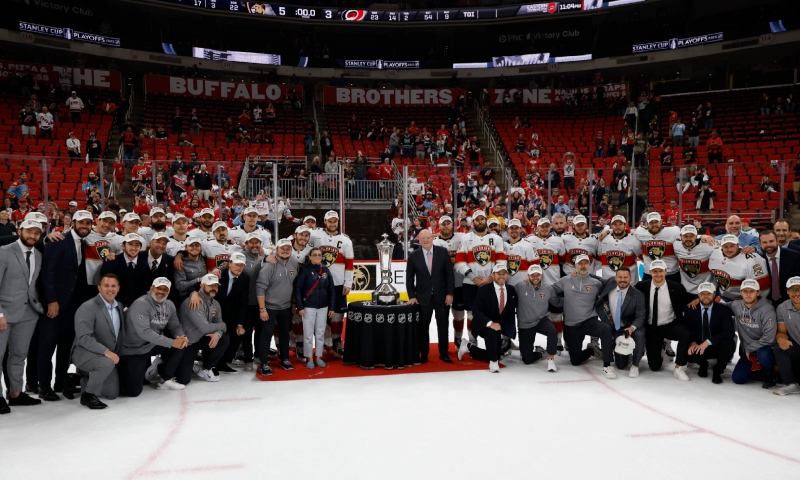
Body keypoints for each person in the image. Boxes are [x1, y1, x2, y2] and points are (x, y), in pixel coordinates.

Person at [39, 210, 96, 401]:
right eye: (82, 223)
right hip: (54, 306)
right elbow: (48, 273)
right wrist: (51, 300)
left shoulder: (87, 245)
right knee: (47, 347)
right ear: (74, 223)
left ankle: (60, 382)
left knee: (65, 348)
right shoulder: (58, 240)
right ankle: (44, 387)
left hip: (73, 308)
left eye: (88, 223)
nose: (85, 226)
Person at [0, 219, 44, 413]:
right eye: (29, 231)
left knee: (19, 355)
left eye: (36, 233)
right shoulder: (4, 252)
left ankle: (16, 393)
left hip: (28, 313)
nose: (32, 236)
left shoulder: (39, 255)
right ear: (20, 230)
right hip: (4, 313)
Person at [118, 278, 187, 395]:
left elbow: (175, 326)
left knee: (180, 344)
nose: (161, 291)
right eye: (158, 288)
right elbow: (144, 333)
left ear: (169, 292)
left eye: (165, 289)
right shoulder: (141, 304)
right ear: (151, 288)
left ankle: (165, 378)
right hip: (134, 349)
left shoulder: (169, 305)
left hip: (152, 345)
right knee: (133, 391)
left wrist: (181, 336)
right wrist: (171, 342)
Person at [551, 255, 616, 378]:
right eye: (580, 263)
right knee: (575, 361)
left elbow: (612, 281)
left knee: (606, 329)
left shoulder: (596, 283)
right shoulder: (565, 280)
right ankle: (591, 350)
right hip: (572, 324)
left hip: (589, 321)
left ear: (589, 265)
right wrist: (559, 302)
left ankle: (607, 365)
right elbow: (551, 290)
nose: (583, 266)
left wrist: (592, 276)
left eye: (586, 263)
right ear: (575, 265)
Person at [71, 274, 125, 409]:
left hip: (105, 356)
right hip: (85, 353)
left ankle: (79, 379)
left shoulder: (119, 306)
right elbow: (84, 338)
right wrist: (107, 352)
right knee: (106, 364)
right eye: (106, 286)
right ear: (99, 288)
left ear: (118, 288)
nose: (110, 289)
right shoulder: (87, 307)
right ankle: (87, 396)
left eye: (113, 286)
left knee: (111, 393)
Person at [454, 210, 507, 348]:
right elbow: (459, 262)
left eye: (482, 219)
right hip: (470, 284)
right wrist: (473, 277)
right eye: (477, 220)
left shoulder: (496, 239)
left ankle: (493, 342)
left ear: (486, 221)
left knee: (492, 313)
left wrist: (491, 277)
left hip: (491, 283)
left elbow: (502, 261)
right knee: (471, 313)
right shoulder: (465, 239)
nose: (480, 222)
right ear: (473, 222)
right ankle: (472, 341)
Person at [635, 260, 693, 381]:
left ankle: (679, 367)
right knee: (654, 367)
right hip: (652, 328)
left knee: (685, 333)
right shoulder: (642, 286)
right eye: (655, 271)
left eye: (661, 271)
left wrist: (698, 299)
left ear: (666, 271)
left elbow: (689, 299)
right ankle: (659, 350)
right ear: (650, 272)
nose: (658, 274)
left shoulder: (676, 287)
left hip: (670, 325)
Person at [308, 211, 353, 357]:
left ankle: (337, 340)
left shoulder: (345, 240)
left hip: (339, 283)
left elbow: (350, 263)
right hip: (319, 283)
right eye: (330, 221)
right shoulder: (315, 235)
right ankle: (326, 341)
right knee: (321, 314)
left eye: (335, 221)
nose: (332, 224)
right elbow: (297, 239)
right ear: (325, 221)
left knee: (338, 315)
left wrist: (348, 283)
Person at [407, 230, 455, 363]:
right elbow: (409, 279)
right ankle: (424, 354)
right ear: (419, 240)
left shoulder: (443, 252)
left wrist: (450, 293)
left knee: (443, 326)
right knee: (423, 328)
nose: (426, 240)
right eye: (422, 238)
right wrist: (412, 296)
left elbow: (449, 275)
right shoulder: (413, 256)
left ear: (432, 238)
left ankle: (444, 353)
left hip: (442, 297)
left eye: (428, 237)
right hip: (423, 298)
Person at [457, 263, 517, 373]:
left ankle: (469, 347)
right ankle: (493, 363)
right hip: (483, 325)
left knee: (497, 354)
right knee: (494, 354)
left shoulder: (511, 290)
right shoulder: (484, 290)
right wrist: (490, 323)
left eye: (504, 274)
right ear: (493, 275)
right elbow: (476, 311)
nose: (501, 276)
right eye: (498, 274)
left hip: (498, 327)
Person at [256, 239, 299, 377]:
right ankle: (264, 362)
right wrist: (262, 309)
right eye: (282, 248)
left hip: (286, 307)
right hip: (269, 307)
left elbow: (294, 286)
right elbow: (260, 288)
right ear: (277, 249)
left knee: (284, 334)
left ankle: (285, 358)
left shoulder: (294, 263)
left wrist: (293, 304)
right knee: (266, 334)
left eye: (288, 248)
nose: (285, 251)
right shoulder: (270, 265)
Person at [177, 274, 229, 384]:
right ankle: (161, 364)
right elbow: (205, 327)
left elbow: (218, 323)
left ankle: (206, 368)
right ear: (202, 286)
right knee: (183, 380)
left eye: (215, 285)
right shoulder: (193, 301)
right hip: (187, 343)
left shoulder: (216, 304)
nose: (213, 288)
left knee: (223, 339)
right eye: (210, 285)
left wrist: (218, 334)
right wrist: (223, 326)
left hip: (200, 339)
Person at [595, 267, 647, 377]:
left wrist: (632, 328)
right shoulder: (610, 283)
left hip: (630, 325)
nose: (622, 280)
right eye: (620, 277)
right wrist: (578, 273)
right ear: (615, 278)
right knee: (621, 365)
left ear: (630, 278)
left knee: (640, 334)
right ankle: (623, 351)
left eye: (625, 277)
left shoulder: (638, 295)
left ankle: (635, 365)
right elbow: (597, 278)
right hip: (615, 326)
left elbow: (640, 316)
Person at [684, 282, 736, 384]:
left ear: (714, 294)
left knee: (729, 344)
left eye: (708, 293)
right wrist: (693, 342)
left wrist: (709, 341)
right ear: (698, 295)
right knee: (688, 349)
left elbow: (729, 332)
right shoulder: (691, 309)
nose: (705, 296)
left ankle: (718, 370)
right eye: (702, 294)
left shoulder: (723, 310)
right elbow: (687, 329)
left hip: (717, 345)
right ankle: (703, 364)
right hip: (699, 345)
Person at [730, 279, 777, 387]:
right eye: (745, 291)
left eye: (752, 291)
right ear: (740, 292)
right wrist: (699, 300)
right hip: (749, 353)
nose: (748, 294)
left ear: (758, 292)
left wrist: (750, 348)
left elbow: (769, 338)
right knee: (738, 378)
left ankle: (771, 372)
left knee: (763, 353)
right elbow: (718, 307)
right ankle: (763, 374)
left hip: (766, 349)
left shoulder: (767, 309)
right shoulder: (735, 305)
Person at [294, 247, 335, 369]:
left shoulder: (326, 271)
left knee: (320, 332)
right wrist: (300, 307)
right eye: (315, 255)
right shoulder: (305, 270)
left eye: (319, 255)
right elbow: (298, 289)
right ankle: (309, 358)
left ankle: (318, 357)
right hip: (308, 307)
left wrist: (331, 307)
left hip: (323, 306)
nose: (317, 257)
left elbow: (331, 290)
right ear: (310, 257)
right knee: (308, 333)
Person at [514, 265, 561, 371]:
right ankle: (541, 352)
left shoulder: (548, 288)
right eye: (532, 275)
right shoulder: (520, 286)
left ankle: (551, 360)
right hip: (525, 324)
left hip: (541, 320)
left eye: (538, 275)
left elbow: (556, 302)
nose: (535, 277)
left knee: (553, 331)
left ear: (541, 275)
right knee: (527, 359)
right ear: (528, 276)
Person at [709, 235, 770, 302]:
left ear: (738, 245)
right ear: (721, 246)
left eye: (732, 246)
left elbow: (763, 290)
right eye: (726, 246)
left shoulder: (753, 261)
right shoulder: (715, 253)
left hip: (743, 300)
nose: (729, 250)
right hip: (721, 295)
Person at [99, 233, 151, 308]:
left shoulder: (144, 266)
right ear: (123, 246)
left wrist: (135, 307)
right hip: (112, 305)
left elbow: (143, 290)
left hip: (136, 308)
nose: (133, 248)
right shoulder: (111, 263)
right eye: (130, 244)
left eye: (137, 245)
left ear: (140, 248)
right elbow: (106, 289)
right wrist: (123, 308)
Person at [759, 230, 800, 308]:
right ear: (760, 244)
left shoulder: (795, 257)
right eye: (765, 242)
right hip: (766, 303)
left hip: (791, 301)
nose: (768, 245)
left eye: (771, 241)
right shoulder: (758, 260)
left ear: (777, 241)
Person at [773, 277, 800, 395]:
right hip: (798, 349)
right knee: (780, 347)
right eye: (793, 290)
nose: (797, 293)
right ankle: (791, 384)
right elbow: (782, 331)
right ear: (787, 291)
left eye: (799, 289)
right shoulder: (782, 308)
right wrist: (780, 339)